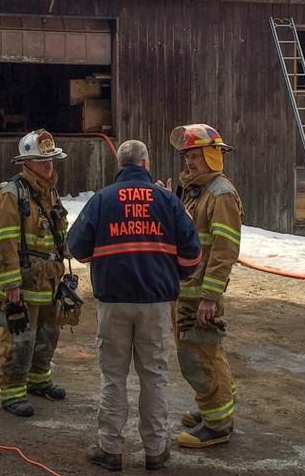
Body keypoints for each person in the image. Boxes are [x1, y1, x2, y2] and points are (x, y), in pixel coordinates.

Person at [67, 139, 202, 471]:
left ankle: (110, 449)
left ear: (120, 166)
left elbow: (76, 247)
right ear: (146, 164)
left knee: (113, 377)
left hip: (113, 303)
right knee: (153, 377)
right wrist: (172, 273)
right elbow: (192, 254)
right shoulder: (167, 200)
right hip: (156, 303)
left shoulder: (102, 199)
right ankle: (155, 451)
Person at [160, 123, 243, 449]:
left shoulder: (220, 195)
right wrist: (170, 203)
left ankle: (217, 425)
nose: (188, 163)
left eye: (193, 156)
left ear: (212, 155)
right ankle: (216, 407)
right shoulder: (198, 191)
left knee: (200, 359)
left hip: (199, 298)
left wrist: (210, 296)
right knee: (207, 353)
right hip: (187, 292)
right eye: (186, 157)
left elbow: (224, 250)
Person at [0, 129, 72, 417]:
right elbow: (5, 243)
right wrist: (11, 285)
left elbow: (57, 229)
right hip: (22, 285)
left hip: (48, 281)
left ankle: (38, 380)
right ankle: (12, 393)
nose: (49, 165)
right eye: (42, 160)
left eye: (51, 159)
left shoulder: (49, 192)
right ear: (27, 162)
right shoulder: (11, 195)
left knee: (48, 334)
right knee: (19, 339)